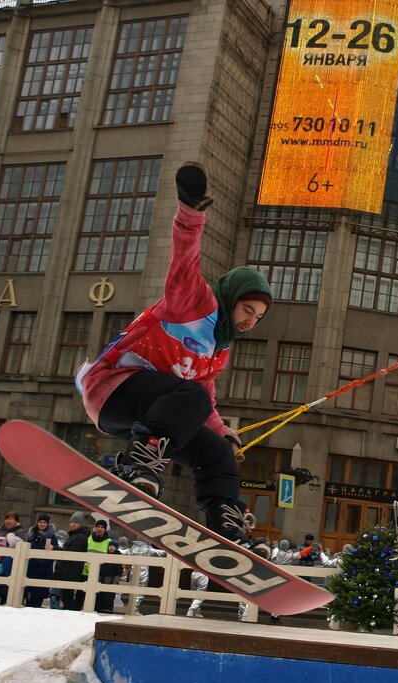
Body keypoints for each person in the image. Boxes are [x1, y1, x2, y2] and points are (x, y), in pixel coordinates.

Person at [75, 162, 272, 543]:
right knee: (192, 394)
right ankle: (139, 464)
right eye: (247, 310)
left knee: (216, 453)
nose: (250, 321)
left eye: (258, 317)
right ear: (231, 299)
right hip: (112, 390)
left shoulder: (219, 348)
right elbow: (184, 257)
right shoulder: (194, 302)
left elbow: (204, 398)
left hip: (149, 415)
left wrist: (222, 432)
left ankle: (224, 520)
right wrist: (191, 210)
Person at [55, 512, 91, 611]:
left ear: (81, 524)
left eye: (76, 522)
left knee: (68, 596)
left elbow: (71, 553)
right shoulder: (74, 535)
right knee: (67, 595)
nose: (72, 524)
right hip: (70, 570)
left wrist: (55, 548)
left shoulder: (80, 537)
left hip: (72, 570)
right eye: (71, 522)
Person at [25, 516, 59, 609]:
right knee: (29, 592)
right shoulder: (32, 534)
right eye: (40, 522)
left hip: (44, 567)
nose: (42, 524)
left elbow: (57, 549)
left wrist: (53, 547)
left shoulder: (52, 536)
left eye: (44, 522)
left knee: (39, 593)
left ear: (47, 524)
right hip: (31, 566)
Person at [87, 519, 118, 613]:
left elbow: (114, 562)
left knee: (104, 601)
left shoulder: (109, 542)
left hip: (103, 575)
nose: (99, 529)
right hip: (86, 573)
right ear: (94, 528)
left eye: (102, 527)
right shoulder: (88, 539)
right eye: (98, 527)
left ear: (105, 529)